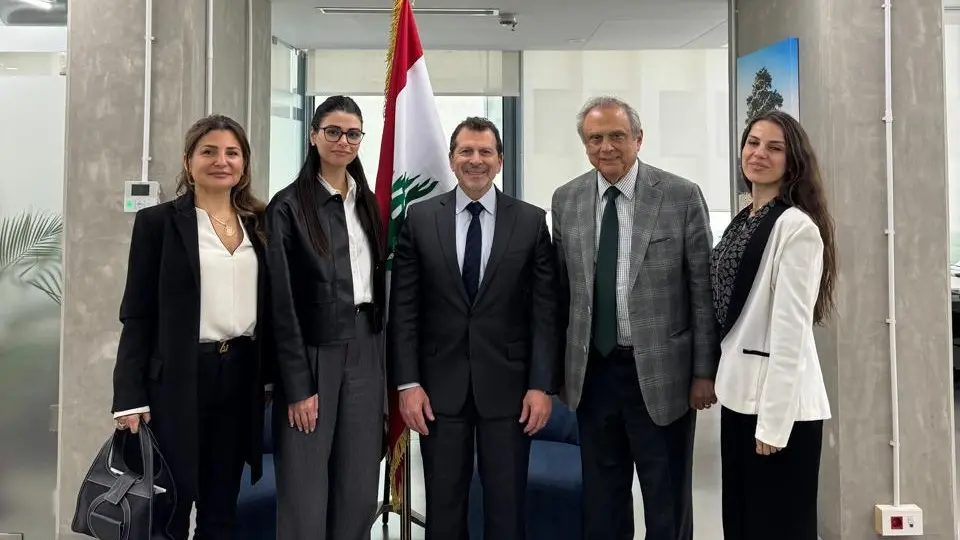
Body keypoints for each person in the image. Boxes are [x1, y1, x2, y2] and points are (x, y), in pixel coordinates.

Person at [551, 96, 718, 540]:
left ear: (638, 139)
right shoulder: (566, 200)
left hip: (664, 377)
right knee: (602, 504)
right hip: (593, 376)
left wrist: (704, 372)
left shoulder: (680, 196)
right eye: (595, 138)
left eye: (617, 136)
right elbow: (562, 295)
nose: (606, 147)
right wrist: (558, 374)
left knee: (666, 503)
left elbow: (702, 292)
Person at [390, 117, 559, 540]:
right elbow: (405, 310)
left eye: (485, 152)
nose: (475, 160)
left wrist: (541, 386)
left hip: (510, 391)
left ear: (500, 160)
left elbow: (545, 314)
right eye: (466, 151)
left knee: (506, 509)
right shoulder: (420, 218)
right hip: (437, 391)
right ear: (451, 159)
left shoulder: (531, 221)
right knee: (444, 511)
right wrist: (408, 383)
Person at [111, 114, 273, 540]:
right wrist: (128, 396)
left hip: (240, 375)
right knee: (171, 505)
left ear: (244, 163)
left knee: (222, 507)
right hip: (178, 380)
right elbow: (137, 313)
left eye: (232, 153)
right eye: (209, 151)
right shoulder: (158, 224)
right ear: (188, 160)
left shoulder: (261, 222)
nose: (222, 161)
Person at [265, 95, 386, 540]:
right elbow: (281, 304)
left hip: (367, 347)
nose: (343, 141)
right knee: (305, 487)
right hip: (313, 352)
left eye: (353, 133)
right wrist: (298, 386)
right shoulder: (287, 207)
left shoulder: (368, 202)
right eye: (333, 131)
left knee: (359, 484)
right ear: (313, 136)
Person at [711, 110, 835, 540]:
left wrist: (774, 424)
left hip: (778, 411)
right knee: (741, 522)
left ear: (792, 160)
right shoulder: (746, 218)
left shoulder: (796, 227)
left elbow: (791, 333)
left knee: (777, 527)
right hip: (739, 397)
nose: (759, 153)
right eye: (753, 143)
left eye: (774, 147)